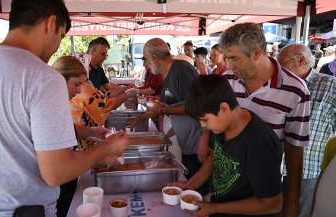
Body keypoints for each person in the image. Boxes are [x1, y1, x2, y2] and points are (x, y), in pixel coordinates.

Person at [0, 1, 129, 217]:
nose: (56, 46)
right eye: (61, 36)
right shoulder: (44, 77)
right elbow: (57, 172)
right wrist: (107, 148)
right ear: (51, 23)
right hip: (20, 211)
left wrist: (89, 132)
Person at [218, 23, 310, 217]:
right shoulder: (226, 80)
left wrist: (291, 203)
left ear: (257, 53)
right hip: (224, 183)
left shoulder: (295, 90)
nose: (228, 64)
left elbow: (294, 150)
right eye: (226, 57)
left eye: (234, 58)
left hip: (263, 192)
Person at [183, 75, 282, 217]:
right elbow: (216, 154)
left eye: (205, 120)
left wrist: (214, 208)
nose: (204, 127)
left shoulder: (259, 143)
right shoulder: (222, 126)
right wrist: (194, 182)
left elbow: (272, 204)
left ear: (224, 108)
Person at [278, 44, 336, 217]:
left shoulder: (330, 86)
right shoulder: (281, 85)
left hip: (308, 171)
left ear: (301, 60)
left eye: (282, 62)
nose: (278, 67)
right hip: (277, 167)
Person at [142, 38, 204, 179]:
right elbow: (173, 107)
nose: (146, 64)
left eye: (146, 59)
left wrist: (162, 110)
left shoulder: (181, 69)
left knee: (194, 185)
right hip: (184, 142)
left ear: (155, 57)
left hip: (196, 144)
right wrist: (165, 136)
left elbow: (195, 105)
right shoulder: (167, 73)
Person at [52, 56, 137, 150]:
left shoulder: (58, 101)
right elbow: (104, 105)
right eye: (77, 84)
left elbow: (70, 129)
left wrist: (92, 131)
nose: (79, 90)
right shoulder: (48, 108)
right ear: (60, 80)